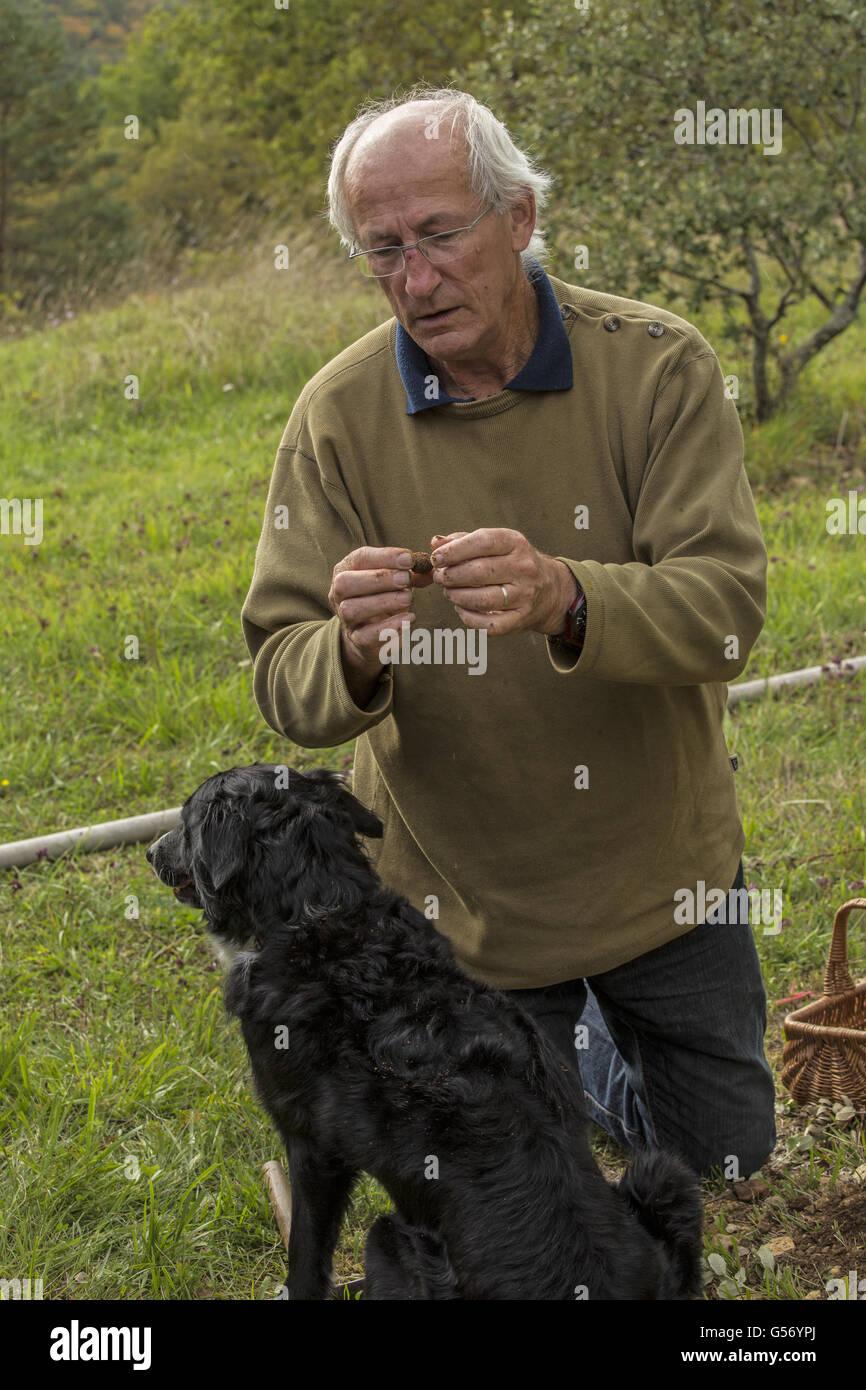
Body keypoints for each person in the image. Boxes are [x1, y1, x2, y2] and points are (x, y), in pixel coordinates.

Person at [241, 87, 776, 1178]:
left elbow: (723, 611)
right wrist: (347, 649)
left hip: (659, 869)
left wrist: (568, 597)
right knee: (502, 1190)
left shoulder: (656, 365)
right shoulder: (335, 417)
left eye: (439, 235)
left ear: (519, 217)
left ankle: (589, 1051)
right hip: (456, 907)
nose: (414, 279)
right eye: (381, 249)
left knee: (728, 1159)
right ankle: (557, 1055)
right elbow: (283, 672)